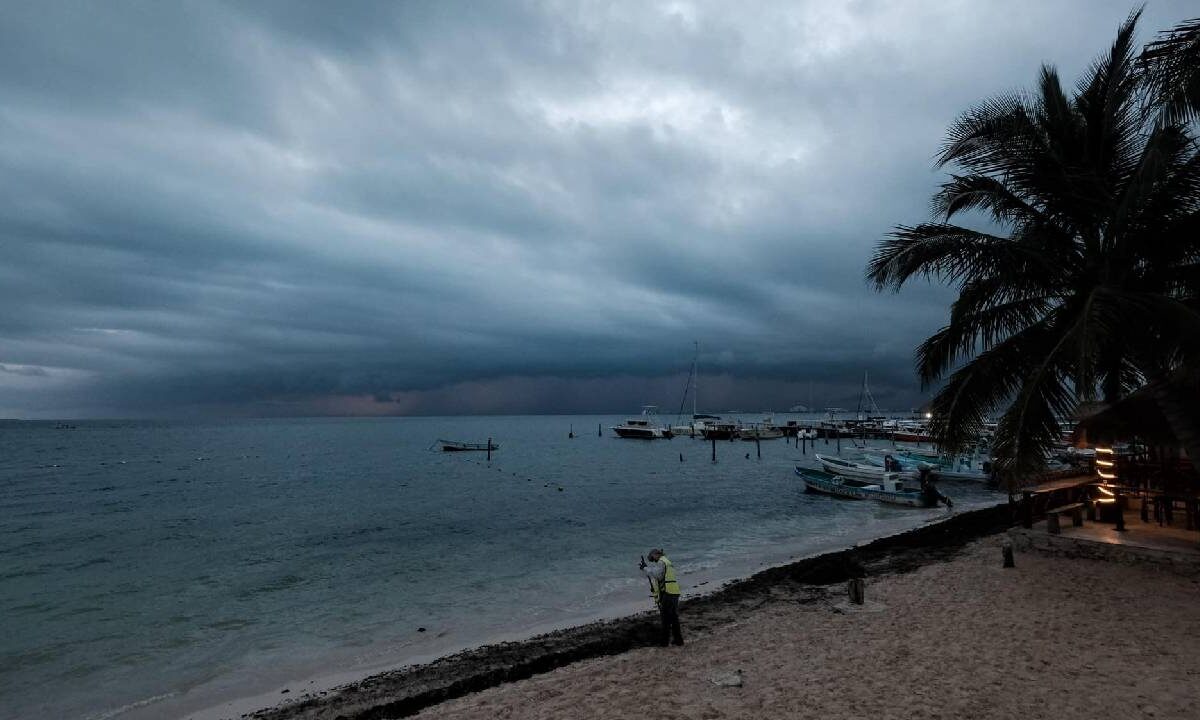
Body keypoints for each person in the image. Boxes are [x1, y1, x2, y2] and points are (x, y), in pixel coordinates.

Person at [639, 548, 683, 646]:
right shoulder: (668, 562)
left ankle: (664, 643)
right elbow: (663, 578)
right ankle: (678, 640)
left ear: (656, 554)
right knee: (674, 618)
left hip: (668, 593)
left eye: (653, 558)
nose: (654, 561)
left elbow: (657, 576)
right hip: (674, 591)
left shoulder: (661, 562)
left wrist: (645, 568)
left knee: (665, 618)